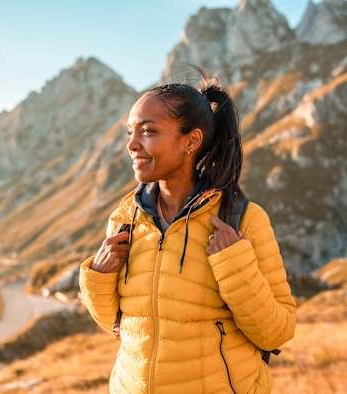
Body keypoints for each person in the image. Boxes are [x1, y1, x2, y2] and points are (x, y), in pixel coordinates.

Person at [79, 77, 296, 394]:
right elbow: (118, 325)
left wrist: (234, 263)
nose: (132, 145)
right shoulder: (125, 218)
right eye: (130, 132)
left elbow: (276, 333)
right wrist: (99, 276)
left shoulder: (243, 220)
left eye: (148, 131)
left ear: (191, 141)